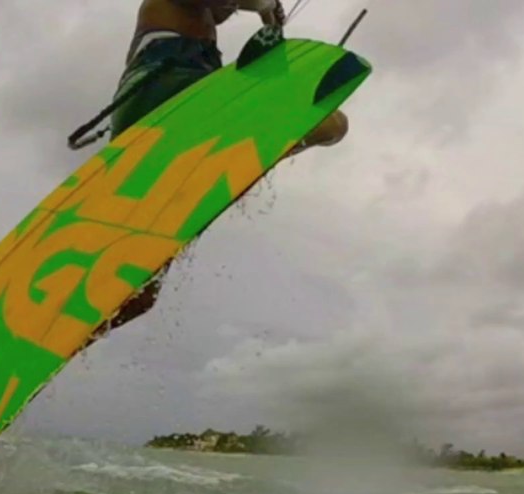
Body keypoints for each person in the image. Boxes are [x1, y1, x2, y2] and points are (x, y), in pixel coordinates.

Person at [95, 0, 350, 339]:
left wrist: (273, 41)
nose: (229, 13)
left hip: (167, 137)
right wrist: (265, 7)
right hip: (164, 99)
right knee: (330, 125)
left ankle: (65, 350)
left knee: (142, 296)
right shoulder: (161, 6)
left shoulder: (203, 39)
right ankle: (241, 159)